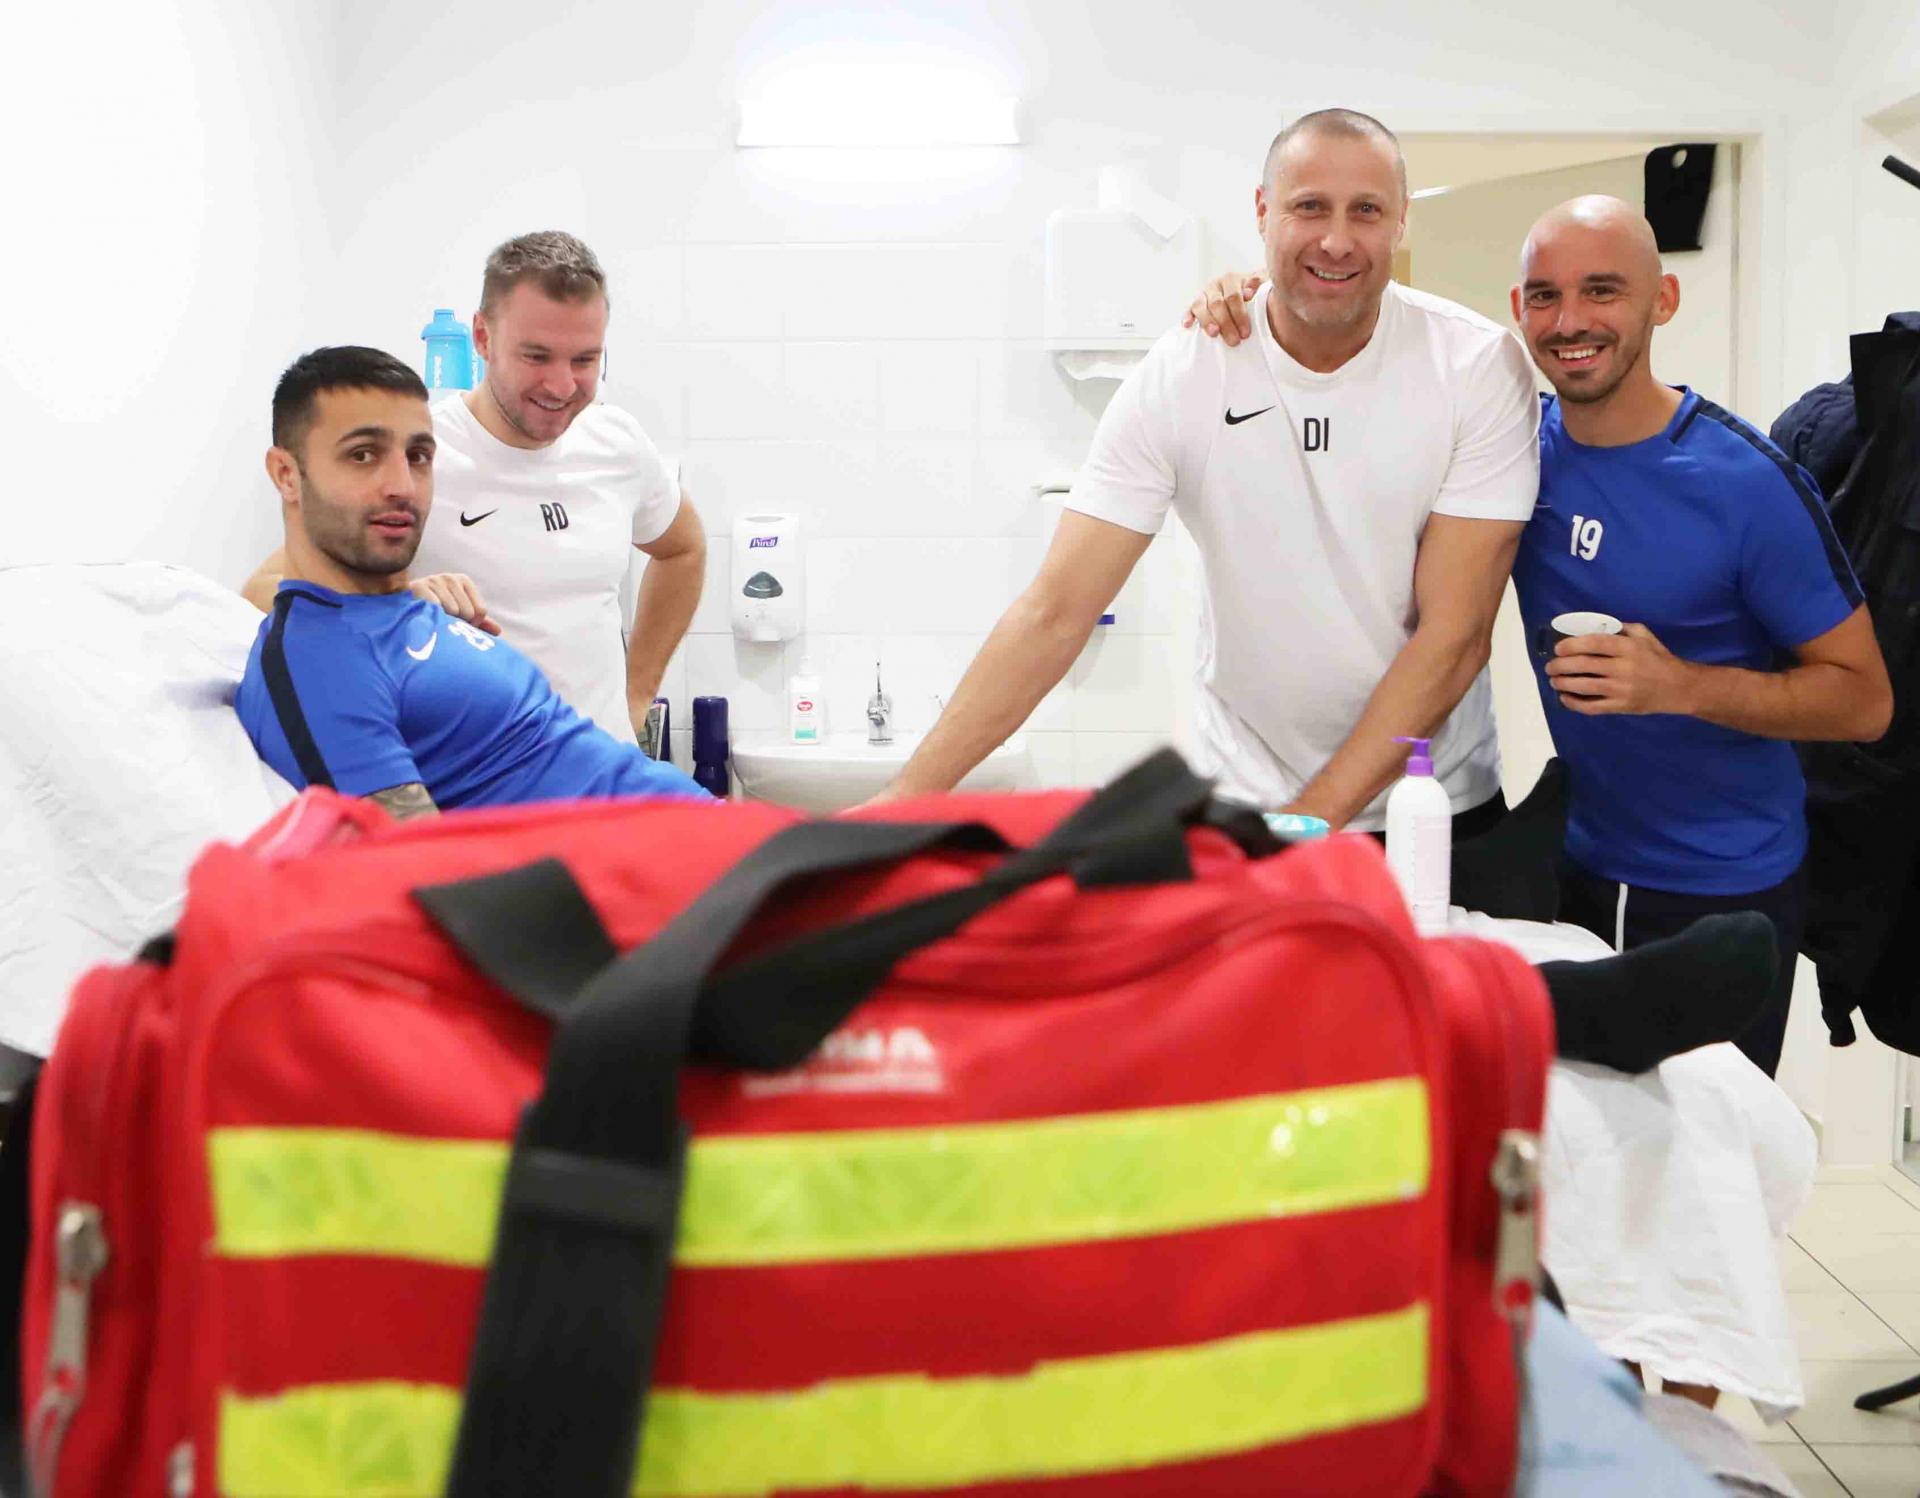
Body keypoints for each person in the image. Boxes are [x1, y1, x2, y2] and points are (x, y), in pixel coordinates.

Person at [1185, 196, 1892, 1078]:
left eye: (1603, 291)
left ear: (1663, 300)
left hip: (1723, 890)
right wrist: (1260, 299)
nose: (1570, 321)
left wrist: (1679, 685)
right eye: (1546, 296)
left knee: (1708, 1145)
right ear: (1519, 310)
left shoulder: (1745, 484)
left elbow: (1864, 701)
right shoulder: (1519, 448)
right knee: (1572, 1134)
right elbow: (1375, 364)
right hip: (1573, 871)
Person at [877, 110, 1540, 839]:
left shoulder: (1475, 366)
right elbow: (1055, 612)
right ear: (1262, 211)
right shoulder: (1188, 370)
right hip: (1248, 801)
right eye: (1309, 206)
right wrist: (898, 803)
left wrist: (1306, 825)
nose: (1337, 239)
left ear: (1401, 220)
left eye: (1366, 211)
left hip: (1433, 810)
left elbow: (1454, 636)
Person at [244, 231, 704, 747]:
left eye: (583, 360)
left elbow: (683, 548)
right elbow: (263, 593)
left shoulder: (616, 440)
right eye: (536, 356)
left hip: (604, 773)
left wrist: (637, 694)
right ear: (482, 338)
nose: (562, 385)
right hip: (478, 781)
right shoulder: (418, 455)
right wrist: (392, 605)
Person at [235, 346, 706, 818]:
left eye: (418, 456)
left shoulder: (410, 613)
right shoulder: (321, 663)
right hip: (642, 849)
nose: (402, 485)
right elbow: (412, 855)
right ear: (286, 474)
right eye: (363, 455)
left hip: (686, 819)